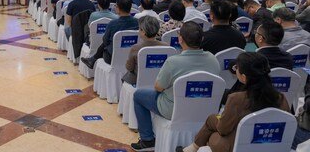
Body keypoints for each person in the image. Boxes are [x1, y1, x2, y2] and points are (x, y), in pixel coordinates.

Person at [131, 22, 220, 151]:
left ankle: (147, 140)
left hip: (174, 109)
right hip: (205, 109)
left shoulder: (173, 62)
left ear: (180, 39)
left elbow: (158, 87)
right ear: (202, 39)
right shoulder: (213, 59)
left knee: (138, 95)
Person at [177, 53, 290, 152]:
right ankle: (191, 149)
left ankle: (192, 149)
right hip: (270, 145)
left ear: (244, 77)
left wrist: (215, 120)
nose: (235, 70)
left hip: (238, 146)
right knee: (214, 121)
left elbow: (223, 129)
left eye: (237, 68)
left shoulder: (236, 99)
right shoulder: (281, 98)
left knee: (213, 128)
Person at [80, 0, 139, 69]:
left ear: (118, 8)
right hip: (132, 55)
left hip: (112, 57)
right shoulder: (137, 22)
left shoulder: (113, 23)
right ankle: (92, 59)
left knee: (106, 44)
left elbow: (105, 40)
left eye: (116, 6)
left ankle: (93, 59)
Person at [123, 16, 168, 85]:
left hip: (139, 81)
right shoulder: (166, 46)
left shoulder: (136, 48)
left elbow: (130, 68)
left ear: (143, 32)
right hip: (160, 81)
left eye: (139, 29)